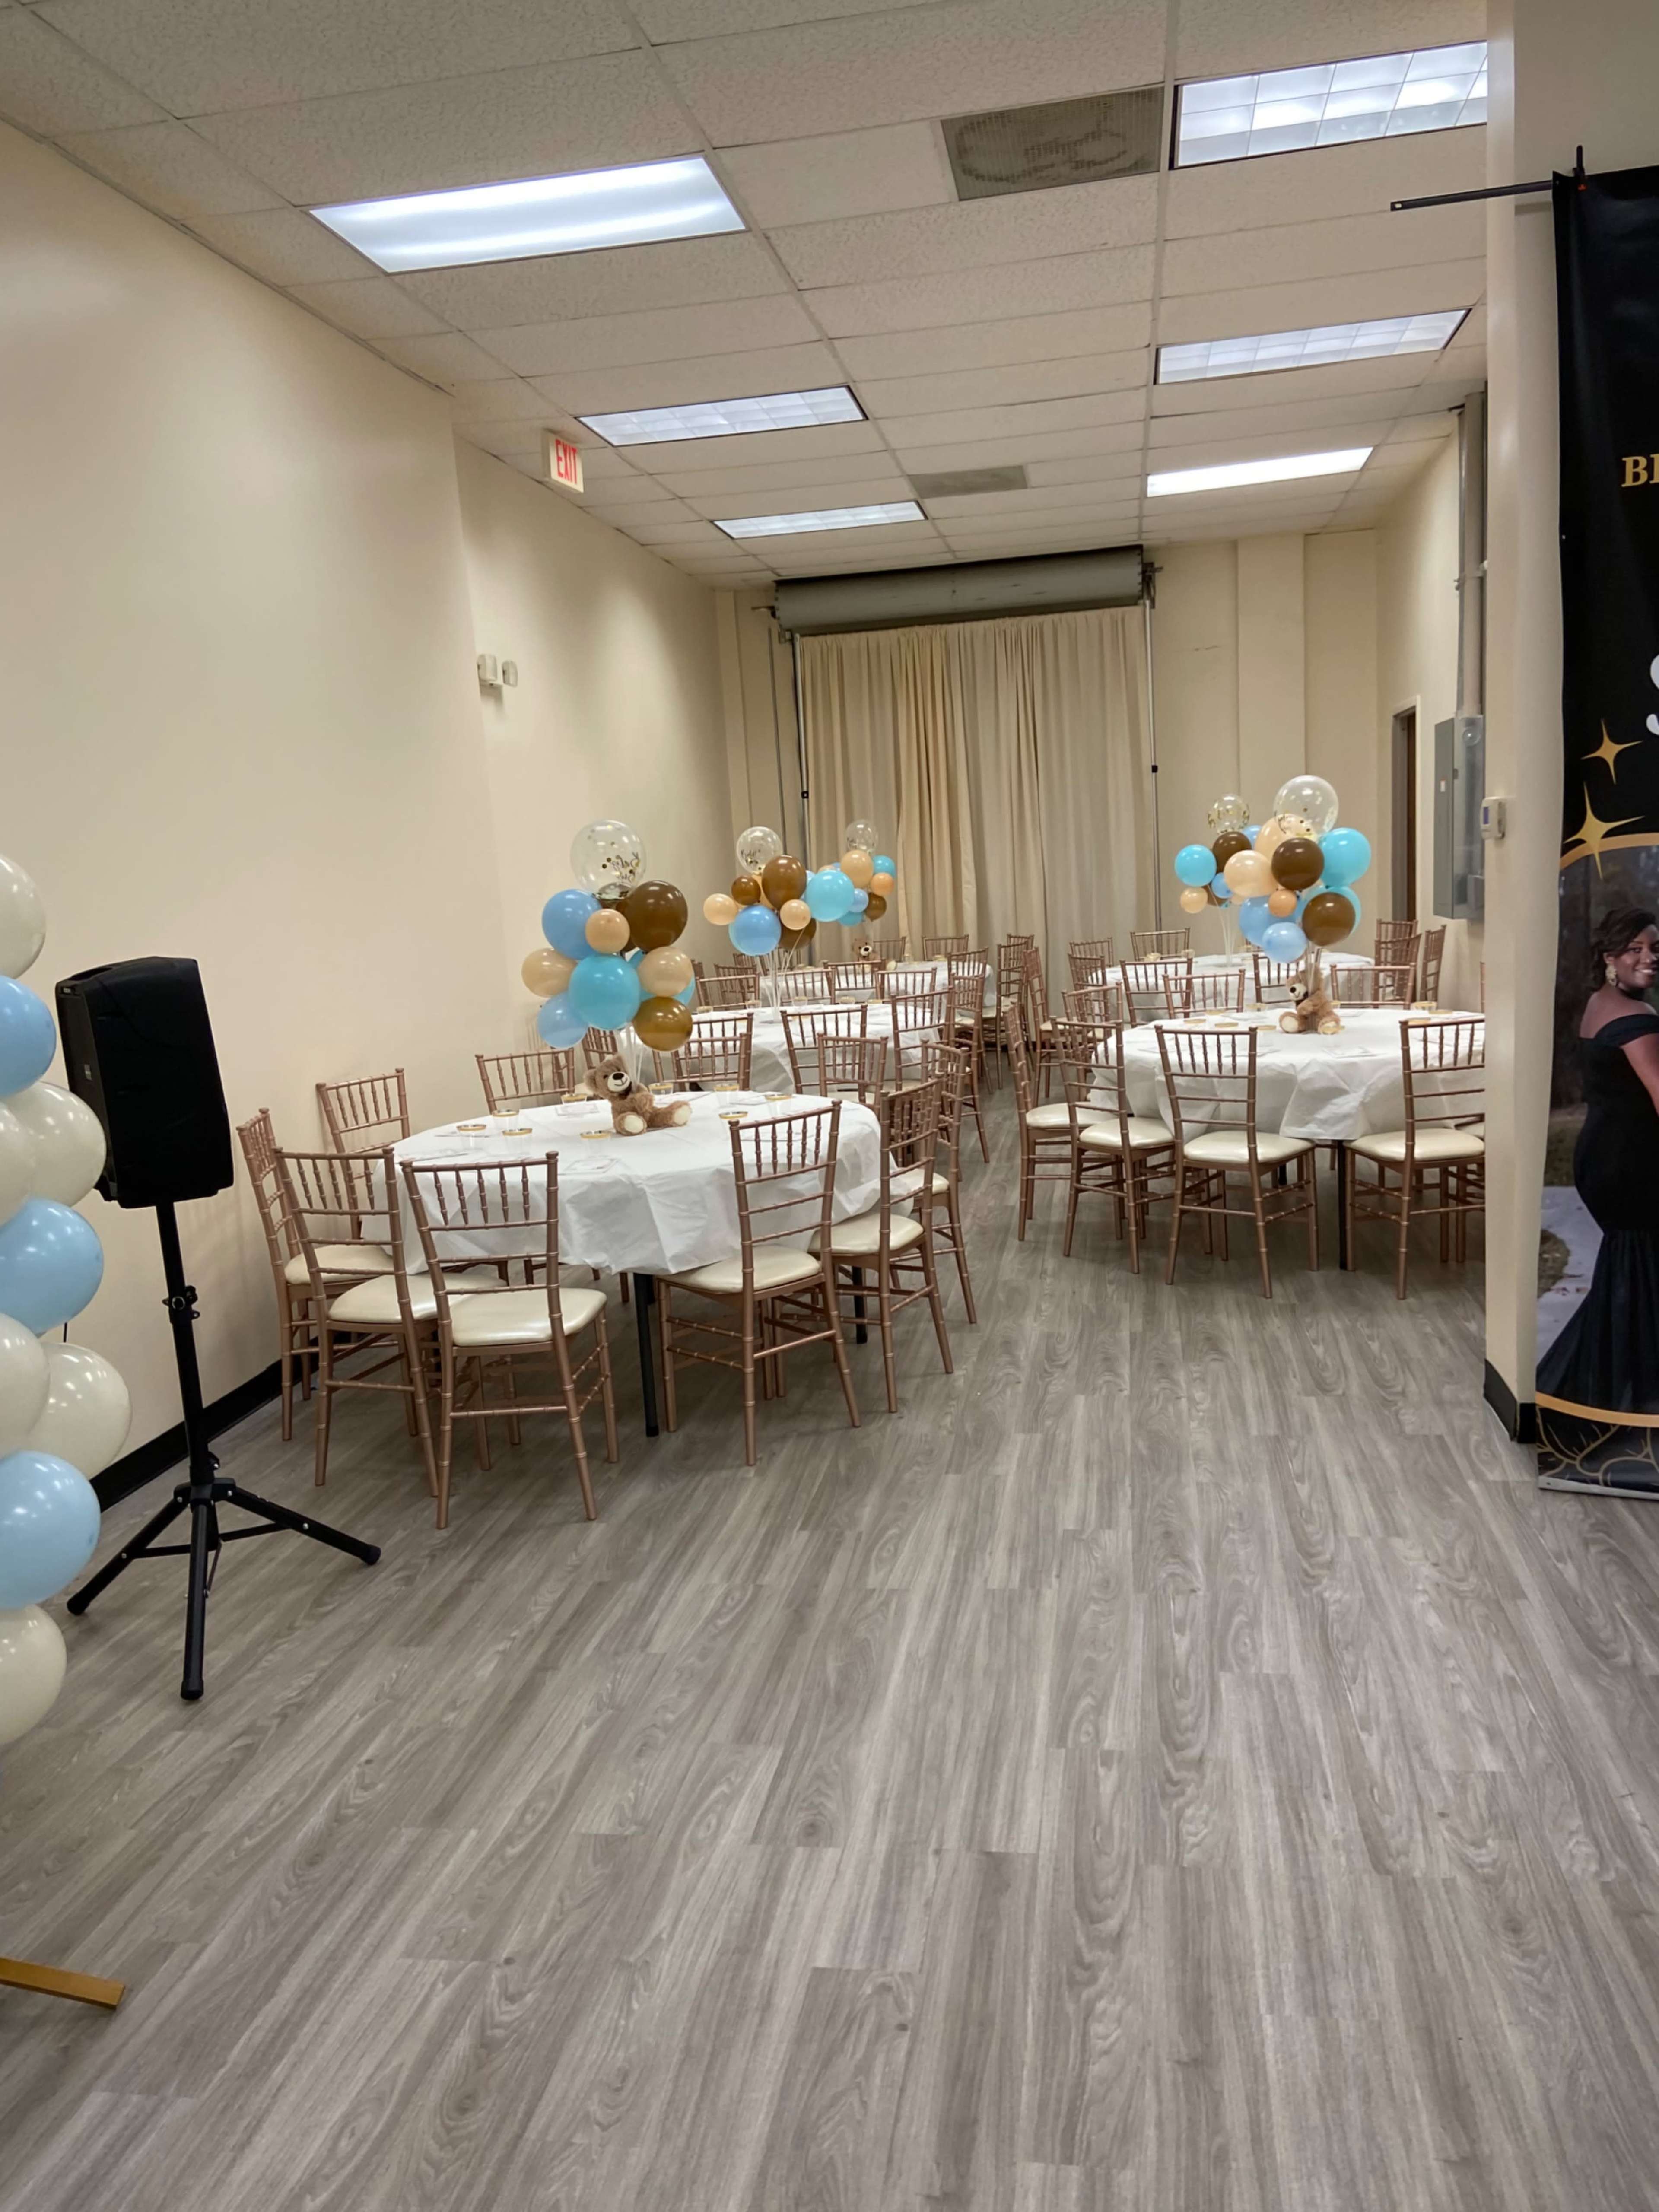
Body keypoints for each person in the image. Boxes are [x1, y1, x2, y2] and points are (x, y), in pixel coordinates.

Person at [1537, 906, 1659, 1484]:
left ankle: (1610, 1393)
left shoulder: (1598, 1004)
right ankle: (1617, 1402)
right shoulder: (1638, 1019)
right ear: (1610, 957)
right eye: (1634, 949)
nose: (1648, 958)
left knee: (1632, 1277)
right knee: (1637, 1276)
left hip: (1603, 1156)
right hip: (1633, 1165)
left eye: (1654, 948)